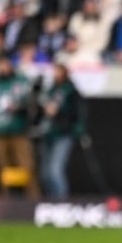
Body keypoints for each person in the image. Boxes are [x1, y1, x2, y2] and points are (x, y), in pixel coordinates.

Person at [0, 56, 40, 199]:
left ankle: (34, 200)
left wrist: (19, 108)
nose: (2, 67)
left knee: (26, 165)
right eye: (0, 64)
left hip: (19, 130)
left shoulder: (21, 81)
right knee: (3, 167)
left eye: (5, 64)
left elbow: (32, 105)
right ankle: (7, 200)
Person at [39, 62, 84, 199]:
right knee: (45, 173)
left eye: (58, 71)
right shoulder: (50, 90)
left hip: (63, 134)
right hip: (48, 133)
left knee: (55, 170)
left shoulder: (71, 91)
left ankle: (62, 202)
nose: (55, 75)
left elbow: (76, 114)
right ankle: (51, 201)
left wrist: (58, 113)